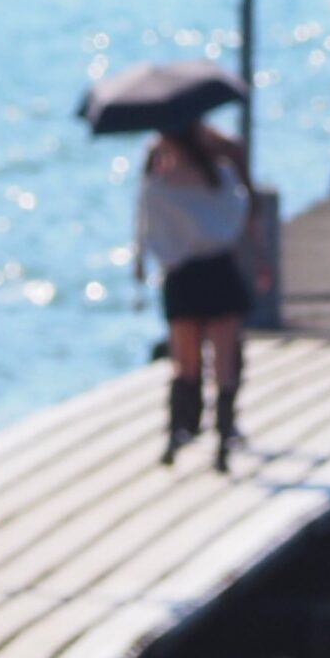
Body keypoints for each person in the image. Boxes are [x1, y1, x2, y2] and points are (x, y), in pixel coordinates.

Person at [133, 121, 258, 469]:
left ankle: (179, 430)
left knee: (184, 362)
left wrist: (144, 264)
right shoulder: (221, 176)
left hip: (182, 278)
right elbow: (239, 215)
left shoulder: (157, 188)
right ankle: (223, 435)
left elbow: (149, 235)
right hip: (219, 270)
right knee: (224, 361)